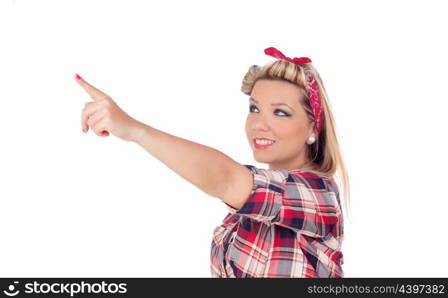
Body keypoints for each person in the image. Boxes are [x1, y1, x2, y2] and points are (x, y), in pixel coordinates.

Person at [75, 46, 350, 278]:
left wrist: (135, 130)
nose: (259, 124)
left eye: (280, 112)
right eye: (254, 108)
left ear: (313, 128)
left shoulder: (319, 194)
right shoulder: (241, 213)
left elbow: (225, 178)